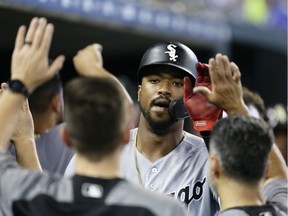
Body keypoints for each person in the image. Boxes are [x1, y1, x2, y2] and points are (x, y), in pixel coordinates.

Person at [0, 17, 188, 216]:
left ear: (67, 138)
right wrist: (96, 70)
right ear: (126, 136)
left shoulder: (36, 197)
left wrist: (20, 84)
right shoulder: (164, 209)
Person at [65, 42, 252, 216]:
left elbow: (248, 197)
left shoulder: (209, 156)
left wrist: (213, 136)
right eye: (154, 81)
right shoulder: (101, 153)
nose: (164, 89)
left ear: (193, 96)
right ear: (139, 92)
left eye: (177, 83)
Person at [209, 115, 287, 215]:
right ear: (267, 168)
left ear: (215, 166)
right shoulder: (283, 208)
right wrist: (236, 106)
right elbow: (278, 175)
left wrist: (235, 106)